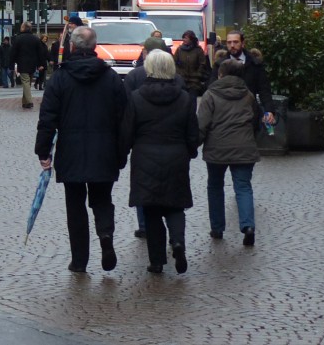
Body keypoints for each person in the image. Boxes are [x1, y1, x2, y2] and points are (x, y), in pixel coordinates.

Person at [35, 25, 127, 274]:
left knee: (75, 206)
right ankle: (105, 236)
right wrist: (122, 152)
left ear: (72, 47)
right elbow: (123, 118)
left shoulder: (61, 78)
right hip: (104, 151)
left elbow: (48, 118)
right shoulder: (111, 78)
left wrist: (43, 152)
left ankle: (79, 260)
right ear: (95, 47)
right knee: (102, 200)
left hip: (72, 151)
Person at [119, 49, 199, 275]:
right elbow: (192, 131)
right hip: (176, 156)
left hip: (145, 157)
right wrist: (191, 151)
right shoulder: (184, 98)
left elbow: (127, 131)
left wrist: (122, 155)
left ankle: (156, 261)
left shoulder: (136, 97)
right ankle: (178, 242)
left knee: (152, 210)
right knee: (175, 206)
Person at [198, 58, 261, 246]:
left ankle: (217, 228)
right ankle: (248, 226)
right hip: (244, 146)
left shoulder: (211, 94)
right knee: (243, 187)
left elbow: (202, 123)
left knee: (215, 186)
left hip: (217, 148)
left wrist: (194, 143)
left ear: (221, 74)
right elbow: (255, 121)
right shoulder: (248, 95)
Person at [222, 30, 276, 130]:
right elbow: (212, 87)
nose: (232, 45)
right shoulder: (220, 64)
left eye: (235, 42)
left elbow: (264, 89)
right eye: (229, 42)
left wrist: (269, 110)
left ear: (243, 43)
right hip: (226, 114)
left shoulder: (255, 64)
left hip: (249, 114)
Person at [11, 22, 47, 109]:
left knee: (26, 83)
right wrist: (41, 64)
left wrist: (11, 63)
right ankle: (25, 102)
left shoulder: (18, 38)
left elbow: (13, 52)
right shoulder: (35, 39)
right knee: (27, 83)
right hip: (33, 64)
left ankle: (29, 101)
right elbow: (40, 53)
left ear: (23, 28)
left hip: (22, 64)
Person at [174, 29, 212, 97]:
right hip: (182, 80)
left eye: (186, 38)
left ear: (191, 39)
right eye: (183, 38)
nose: (184, 39)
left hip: (194, 82)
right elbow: (174, 62)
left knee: (192, 102)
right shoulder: (179, 50)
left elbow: (202, 63)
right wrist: (179, 73)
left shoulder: (198, 50)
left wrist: (198, 74)